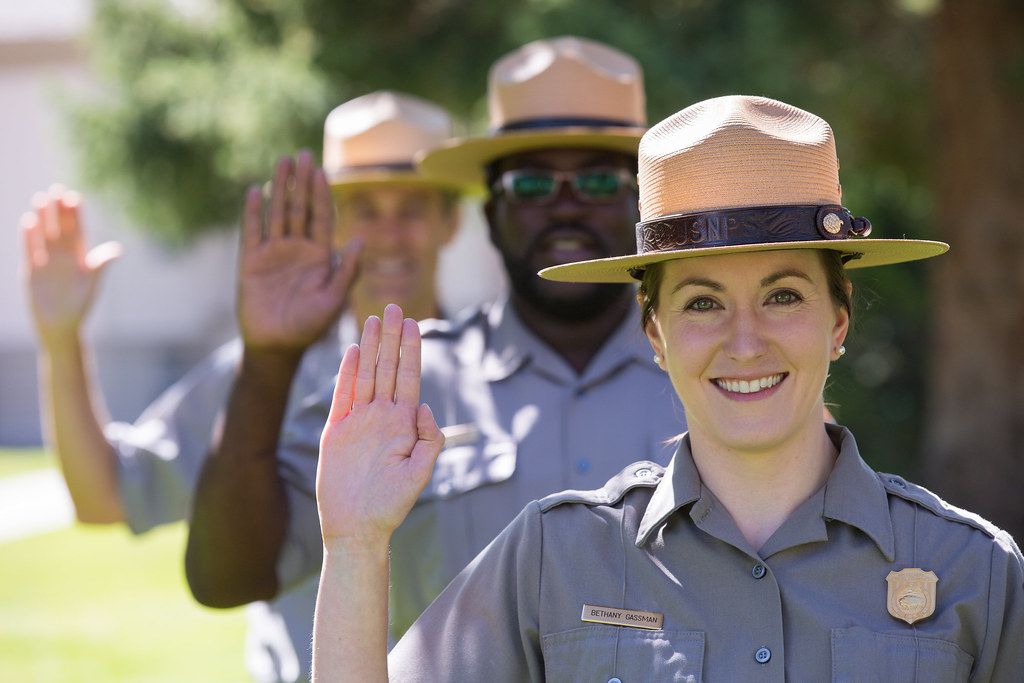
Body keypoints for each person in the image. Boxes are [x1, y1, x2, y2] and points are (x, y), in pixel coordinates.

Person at [311, 95, 1024, 681]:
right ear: (654, 334)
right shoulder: (556, 556)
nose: (745, 342)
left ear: (838, 321)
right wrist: (354, 544)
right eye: (703, 303)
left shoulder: (973, 571)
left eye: (782, 296)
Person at [184, 36, 685, 642]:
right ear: (489, 213)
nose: (565, 208)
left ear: (641, 204)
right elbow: (228, 578)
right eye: (530, 185)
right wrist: (267, 358)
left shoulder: (712, 376)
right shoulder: (405, 379)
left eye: (600, 182)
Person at [21, 90, 464, 683]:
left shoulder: (500, 369)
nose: (388, 234)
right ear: (331, 222)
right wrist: (59, 337)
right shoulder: (264, 375)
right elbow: (101, 495)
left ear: (450, 220)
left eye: (410, 208)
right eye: (363, 208)